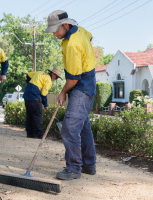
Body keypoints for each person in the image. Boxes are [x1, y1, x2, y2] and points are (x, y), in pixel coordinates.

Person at [45, 10, 97, 180]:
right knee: (82, 127)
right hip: (83, 79)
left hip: (82, 84)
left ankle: (74, 168)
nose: (54, 33)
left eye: (56, 30)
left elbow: (73, 79)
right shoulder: (79, 30)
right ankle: (89, 166)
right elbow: (90, 37)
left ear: (65, 25)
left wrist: (62, 92)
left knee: (69, 128)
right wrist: (87, 56)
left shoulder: (74, 43)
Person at [23, 67, 62, 139]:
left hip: (27, 94)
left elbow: (28, 75)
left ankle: (30, 133)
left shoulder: (40, 73)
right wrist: (45, 104)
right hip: (34, 95)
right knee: (38, 114)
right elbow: (44, 94)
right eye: (57, 77)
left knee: (30, 114)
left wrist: (29, 85)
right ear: (53, 74)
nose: (56, 79)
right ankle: (37, 134)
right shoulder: (48, 81)